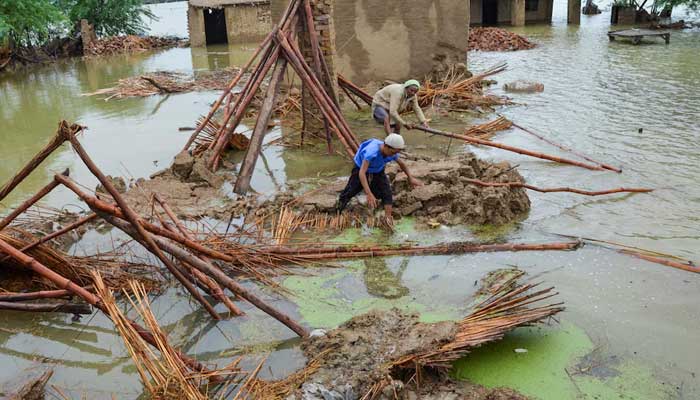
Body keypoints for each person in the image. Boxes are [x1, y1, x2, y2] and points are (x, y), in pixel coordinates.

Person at [336, 134, 422, 224]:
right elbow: (362, 173)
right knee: (351, 190)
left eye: (396, 153)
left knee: (386, 191)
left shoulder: (392, 152)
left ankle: (388, 218)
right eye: (393, 153)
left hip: (378, 169)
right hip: (361, 167)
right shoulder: (371, 152)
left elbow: (402, 164)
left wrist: (410, 178)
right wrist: (368, 193)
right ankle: (338, 210)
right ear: (386, 146)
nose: (394, 155)